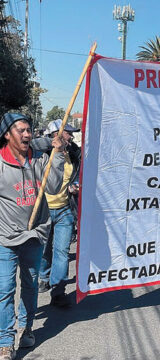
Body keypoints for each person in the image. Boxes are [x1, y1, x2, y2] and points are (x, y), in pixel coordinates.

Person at [0, 113, 65, 360]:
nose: (27, 134)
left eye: (29, 130)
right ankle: (5, 341)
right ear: (7, 134)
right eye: (21, 130)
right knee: (5, 289)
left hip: (35, 235)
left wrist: (57, 155)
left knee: (29, 286)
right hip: (6, 238)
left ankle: (26, 329)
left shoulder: (40, 159)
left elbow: (54, 187)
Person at [38, 119, 81, 308]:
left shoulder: (73, 153)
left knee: (62, 251)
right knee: (44, 250)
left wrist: (76, 185)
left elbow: (78, 173)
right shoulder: (41, 154)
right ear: (56, 134)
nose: (71, 136)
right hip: (44, 211)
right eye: (67, 132)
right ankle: (43, 276)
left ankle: (58, 291)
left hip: (65, 210)